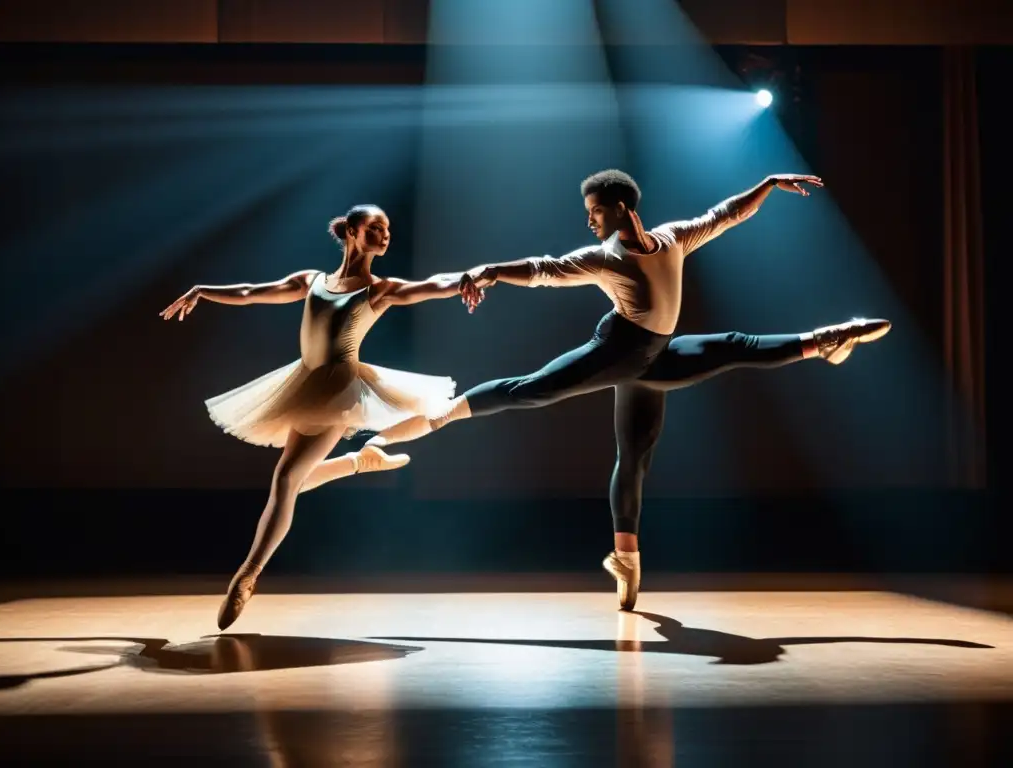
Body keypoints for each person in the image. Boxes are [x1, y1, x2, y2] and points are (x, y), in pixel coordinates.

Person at [337, 170, 891, 611]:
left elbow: (725, 215)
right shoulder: (603, 256)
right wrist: (489, 271)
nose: (591, 222)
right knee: (534, 390)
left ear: (622, 206)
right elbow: (544, 269)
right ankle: (443, 414)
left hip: (652, 360)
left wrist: (767, 186)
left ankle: (626, 558)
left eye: (595, 211)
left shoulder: (672, 237)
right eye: (589, 215)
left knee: (648, 443)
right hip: (618, 350)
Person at [160, 204, 470, 630]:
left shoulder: (379, 289)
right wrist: (202, 289)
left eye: (388, 228)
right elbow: (253, 291)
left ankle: (247, 575)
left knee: (285, 481)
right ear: (352, 233)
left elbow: (431, 286)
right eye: (376, 227)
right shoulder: (313, 282)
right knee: (292, 483)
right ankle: (359, 462)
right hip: (303, 384)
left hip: (339, 391)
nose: (385, 234)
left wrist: (468, 280)